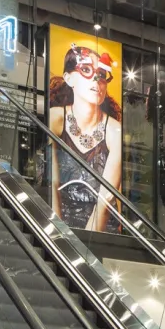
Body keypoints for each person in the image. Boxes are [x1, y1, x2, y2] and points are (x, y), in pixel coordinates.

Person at [48, 44, 123, 232]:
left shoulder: (114, 130)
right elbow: (52, 184)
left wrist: (90, 244)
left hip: (102, 230)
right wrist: (59, 237)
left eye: (103, 75)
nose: (97, 81)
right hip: (60, 226)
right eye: (87, 70)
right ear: (69, 78)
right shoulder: (55, 119)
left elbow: (106, 199)